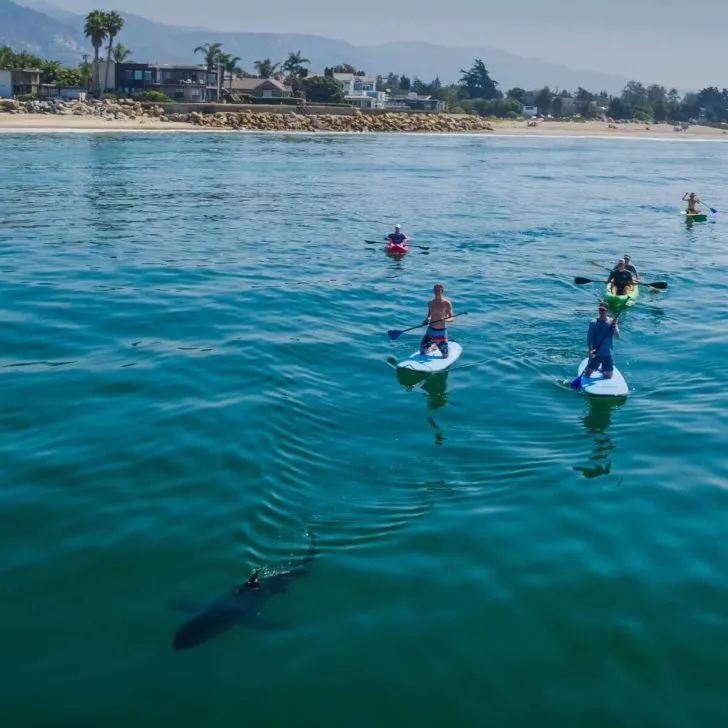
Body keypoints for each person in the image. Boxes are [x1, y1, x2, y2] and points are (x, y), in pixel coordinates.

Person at [584, 301, 619, 379]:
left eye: (603, 310)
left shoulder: (612, 321)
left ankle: (602, 369)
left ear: (607, 311)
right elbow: (590, 339)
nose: (601, 312)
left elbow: (617, 335)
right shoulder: (593, 323)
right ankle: (592, 367)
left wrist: (614, 325)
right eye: (600, 310)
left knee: (609, 376)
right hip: (597, 352)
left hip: (607, 353)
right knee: (587, 374)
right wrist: (590, 352)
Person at [420, 283, 453, 358]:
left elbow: (452, 318)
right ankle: (433, 346)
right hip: (430, 330)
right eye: (435, 289)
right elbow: (429, 316)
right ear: (433, 291)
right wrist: (426, 320)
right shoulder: (430, 303)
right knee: (422, 351)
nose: (437, 291)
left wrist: (445, 320)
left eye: (439, 289)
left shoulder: (447, 303)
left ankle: (447, 349)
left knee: (445, 356)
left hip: (441, 332)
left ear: (442, 291)